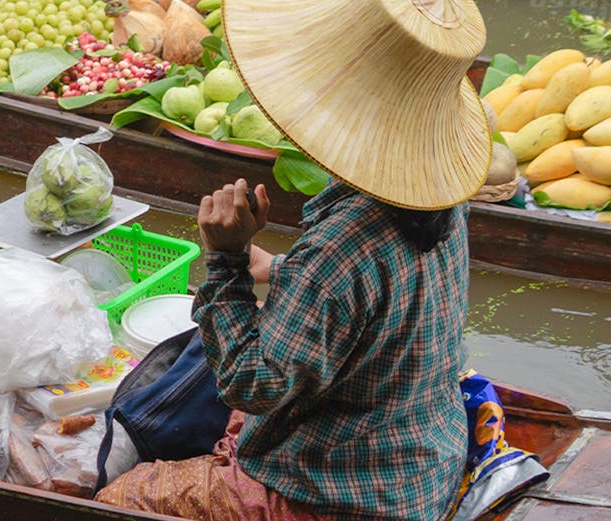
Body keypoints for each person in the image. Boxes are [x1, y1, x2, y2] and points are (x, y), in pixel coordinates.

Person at [95, 0, 492, 519]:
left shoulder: (338, 249)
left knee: (116, 497)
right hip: (422, 461)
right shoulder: (439, 193)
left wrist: (227, 260)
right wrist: (283, 272)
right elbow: (383, 298)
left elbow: (250, 384)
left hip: (340, 494)